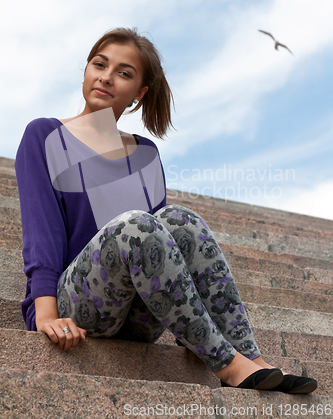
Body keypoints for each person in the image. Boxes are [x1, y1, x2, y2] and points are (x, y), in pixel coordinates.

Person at [15, 27, 317, 394]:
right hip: (77, 307)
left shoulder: (146, 154)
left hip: (139, 318)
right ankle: (227, 364)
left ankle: (248, 354)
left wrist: (191, 325)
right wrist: (44, 313)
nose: (107, 77)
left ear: (139, 93)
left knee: (180, 220)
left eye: (124, 73)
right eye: (99, 64)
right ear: (86, 71)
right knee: (136, 226)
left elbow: (165, 244)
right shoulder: (45, 135)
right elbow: (41, 231)